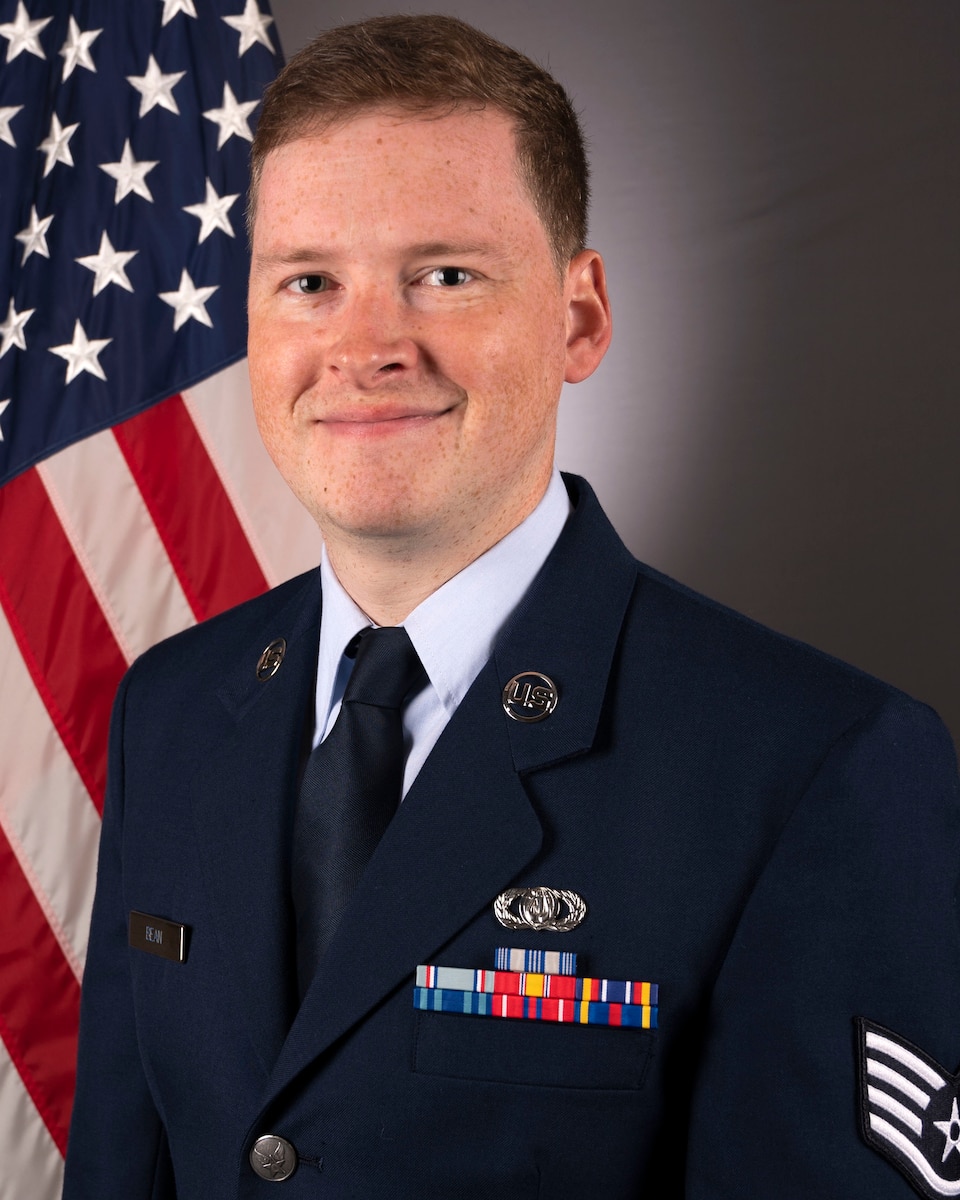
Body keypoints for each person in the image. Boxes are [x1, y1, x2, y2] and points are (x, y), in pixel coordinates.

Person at [64, 14, 960, 1200]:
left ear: (578, 317)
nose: (367, 345)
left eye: (445, 275)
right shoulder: (173, 710)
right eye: (311, 282)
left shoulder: (815, 768)